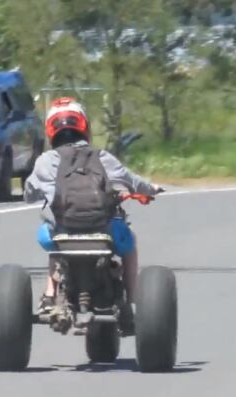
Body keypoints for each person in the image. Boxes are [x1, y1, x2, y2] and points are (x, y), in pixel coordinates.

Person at [23, 97, 162, 334]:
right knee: (130, 241)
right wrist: (151, 189)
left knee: (52, 234)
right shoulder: (103, 157)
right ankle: (132, 300)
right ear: (84, 126)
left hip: (62, 234)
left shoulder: (45, 161)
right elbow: (132, 181)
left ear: (51, 130)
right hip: (104, 232)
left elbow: (28, 194)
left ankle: (49, 295)